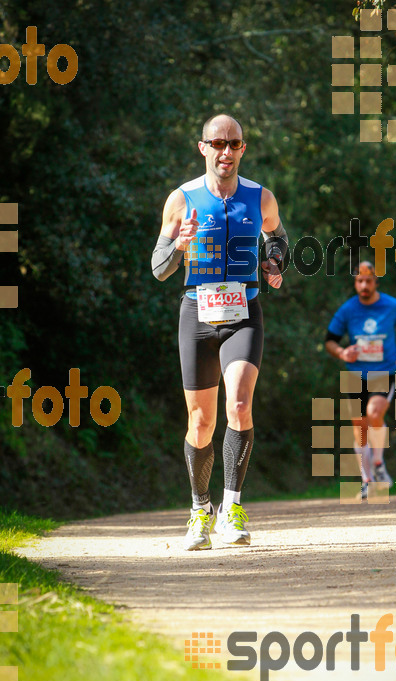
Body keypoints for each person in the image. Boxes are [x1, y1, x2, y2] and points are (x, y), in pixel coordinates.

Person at [151, 114, 287, 550]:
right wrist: (180, 246)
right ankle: (199, 510)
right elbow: (158, 268)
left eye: (235, 144)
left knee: (240, 403)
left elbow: (278, 237)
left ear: (243, 148)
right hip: (197, 313)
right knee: (201, 420)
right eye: (218, 143)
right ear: (203, 147)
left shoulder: (260, 197)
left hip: (244, 310)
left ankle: (232, 510)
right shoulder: (182, 199)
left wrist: (275, 262)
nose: (226, 151)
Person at [325, 262, 396, 498]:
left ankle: (378, 464)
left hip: (383, 372)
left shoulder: (392, 306)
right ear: (355, 283)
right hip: (355, 374)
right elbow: (330, 340)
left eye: (368, 280)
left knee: (374, 413)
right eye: (359, 281)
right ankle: (366, 481)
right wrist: (342, 353)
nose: (364, 285)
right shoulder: (347, 309)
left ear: (376, 281)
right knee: (359, 427)